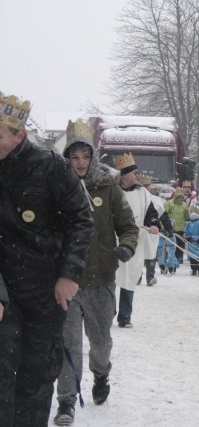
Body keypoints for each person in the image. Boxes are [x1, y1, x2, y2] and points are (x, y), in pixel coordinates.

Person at [0, 92, 93, 426]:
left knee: (37, 375)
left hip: (44, 290)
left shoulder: (50, 167)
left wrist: (69, 274)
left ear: (18, 134)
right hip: (5, 293)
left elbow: (81, 219)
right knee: (3, 376)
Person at [54, 119, 139, 425]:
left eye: (85, 157)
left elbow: (129, 227)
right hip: (67, 283)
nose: (79, 163)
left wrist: (126, 246)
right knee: (68, 345)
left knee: (100, 342)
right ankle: (66, 402)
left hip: (101, 280)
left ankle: (101, 374)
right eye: (74, 157)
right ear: (67, 158)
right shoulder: (57, 187)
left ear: (92, 158)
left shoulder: (108, 187)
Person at [115, 153, 161, 328]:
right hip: (113, 240)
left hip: (134, 241)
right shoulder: (113, 190)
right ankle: (108, 311)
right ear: (124, 174)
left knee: (130, 278)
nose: (137, 175)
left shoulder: (142, 192)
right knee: (111, 277)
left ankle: (125, 317)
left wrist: (154, 223)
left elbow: (151, 213)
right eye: (134, 172)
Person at [164, 187, 190, 264]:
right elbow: (164, 214)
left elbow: (186, 216)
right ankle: (171, 257)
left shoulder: (184, 205)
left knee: (181, 244)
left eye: (181, 198)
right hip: (171, 227)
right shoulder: (169, 203)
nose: (179, 199)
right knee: (171, 244)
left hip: (181, 227)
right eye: (178, 197)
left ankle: (179, 257)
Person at [184, 205, 199, 277]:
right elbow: (186, 231)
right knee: (192, 257)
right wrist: (188, 236)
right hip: (192, 242)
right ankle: (194, 269)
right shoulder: (189, 223)